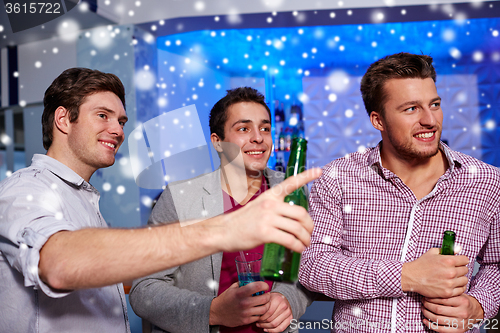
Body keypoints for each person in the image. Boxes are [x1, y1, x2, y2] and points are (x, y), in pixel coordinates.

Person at [0, 68, 320, 333]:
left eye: (121, 121)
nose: (118, 130)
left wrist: (288, 300)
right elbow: (61, 265)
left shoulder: (82, 197)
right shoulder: (26, 191)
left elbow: (313, 267)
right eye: (103, 115)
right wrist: (212, 301)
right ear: (63, 120)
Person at [299, 53, 499, 333]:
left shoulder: (487, 182)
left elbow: (497, 265)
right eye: (411, 109)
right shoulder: (338, 178)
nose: (430, 120)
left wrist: (479, 305)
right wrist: (406, 276)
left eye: (435, 104)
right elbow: (313, 266)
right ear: (378, 120)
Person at [130, 87, 314, 333]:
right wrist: (212, 311)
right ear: (218, 142)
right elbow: (144, 289)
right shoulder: (179, 198)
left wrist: (289, 299)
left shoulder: (293, 192)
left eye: (265, 128)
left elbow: (312, 268)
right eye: (243, 129)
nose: (258, 137)